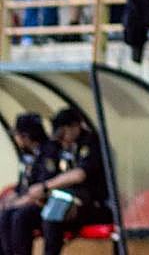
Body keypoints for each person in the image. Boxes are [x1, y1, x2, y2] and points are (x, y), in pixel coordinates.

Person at [1, 109, 111, 255]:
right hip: (66, 201)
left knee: (53, 211)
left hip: (92, 205)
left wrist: (45, 187)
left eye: (64, 132)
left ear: (75, 126)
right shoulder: (67, 147)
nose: (61, 139)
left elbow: (79, 174)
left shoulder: (91, 143)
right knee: (20, 216)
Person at [0, 113, 53, 253]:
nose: (16, 139)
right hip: (28, 202)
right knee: (4, 214)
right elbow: (21, 187)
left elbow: (41, 190)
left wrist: (17, 202)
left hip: (45, 204)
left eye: (17, 135)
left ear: (25, 136)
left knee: (19, 216)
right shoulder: (28, 154)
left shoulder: (48, 152)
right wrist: (7, 200)